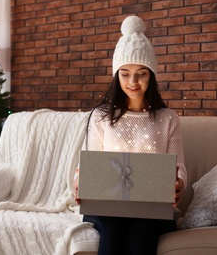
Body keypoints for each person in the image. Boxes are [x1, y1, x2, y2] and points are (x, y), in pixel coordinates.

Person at [74, 15, 187, 255]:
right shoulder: (101, 116)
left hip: (152, 209)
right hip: (107, 206)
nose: (132, 81)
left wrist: (179, 184)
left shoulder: (168, 118)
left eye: (141, 73)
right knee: (114, 227)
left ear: (152, 75)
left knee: (141, 232)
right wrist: (80, 181)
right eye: (125, 73)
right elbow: (90, 162)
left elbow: (179, 167)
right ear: (116, 75)